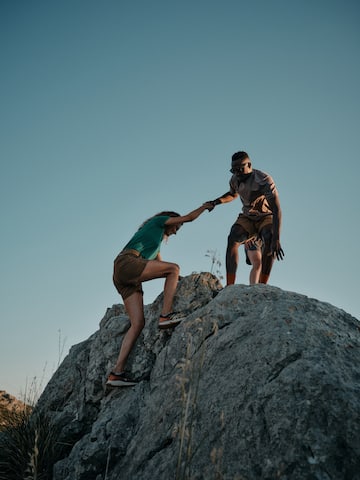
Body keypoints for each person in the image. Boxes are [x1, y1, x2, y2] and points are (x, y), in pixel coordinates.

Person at [107, 202, 212, 387]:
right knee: (174, 268)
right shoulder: (159, 221)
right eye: (177, 226)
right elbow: (188, 218)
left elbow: (163, 267)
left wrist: (180, 277)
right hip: (127, 263)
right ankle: (165, 316)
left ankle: (116, 373)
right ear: (170, 221)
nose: (177, 231)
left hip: (123, 275)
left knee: (138, 324)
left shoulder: (154, 244)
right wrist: (204, 207)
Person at [208, 151, 284, 285]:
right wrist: (216, 202)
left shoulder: (263, 180)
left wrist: (276, 239)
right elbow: (232, 195)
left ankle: (262, 284)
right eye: (234, 170)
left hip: (265, 216)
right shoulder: (234, 179)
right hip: (248, 217)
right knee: (233, 237)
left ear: (249, 165)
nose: (237, 173)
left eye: (240, 169)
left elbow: (276, 209)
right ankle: (229, 285)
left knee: (269, 236)